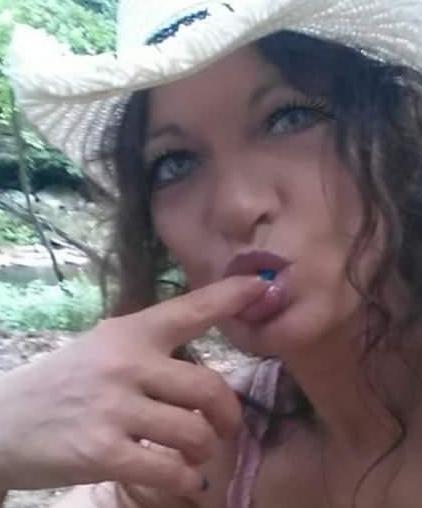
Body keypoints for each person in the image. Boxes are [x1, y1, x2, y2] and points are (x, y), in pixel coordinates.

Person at [4, 0, 422, 506]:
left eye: (288, 118)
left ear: (396, 139)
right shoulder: (214, 458)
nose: (236, 207)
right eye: (175, 164)